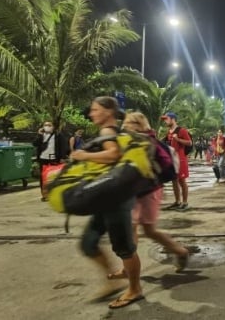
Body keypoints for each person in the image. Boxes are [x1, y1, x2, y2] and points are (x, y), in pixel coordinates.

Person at [72, 96, 143, 309]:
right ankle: (112, 282)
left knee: (124, 248)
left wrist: (83, 155)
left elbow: (113, 155)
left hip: (116, 200)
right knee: (88, 243)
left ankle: (135, 289)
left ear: (108, 111)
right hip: (106, 198)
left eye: (95, 110)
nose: (91, 113)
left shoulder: (107, 131)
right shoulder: (113, 131)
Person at [107, 112, 190, 281]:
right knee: (138, 230)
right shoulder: (133, 140)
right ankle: (129, 268)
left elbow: (150, 167)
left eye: (130, 122)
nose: (125, 124)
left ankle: (179, 252)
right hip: (137, 191)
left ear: (138, 125)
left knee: (143, 230)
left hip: (148, 192)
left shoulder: (145, 142)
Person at [161, 112, 192, 211]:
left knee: (182, 181)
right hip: (172, 159)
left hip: (181, 159)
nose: (165, 121)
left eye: (167, 119)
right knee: (174, 180)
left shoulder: (182, 130)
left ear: (173, 119)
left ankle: (185, 202)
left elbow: (189, 143)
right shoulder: (169, 131)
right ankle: (177, 201)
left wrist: (178, 139)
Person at [33, 121, 68, 201]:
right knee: (43, 177)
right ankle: (45, 195)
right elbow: (34, 144)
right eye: (45, 125)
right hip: (43, 159)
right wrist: (39, 135)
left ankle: (55, 193)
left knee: (54, 177)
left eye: (49, 125)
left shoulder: (58, 135)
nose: (47, 126)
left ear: (53, 127)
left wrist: (62, 157)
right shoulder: (41, 135)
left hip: (54, 159)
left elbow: (63, 147)